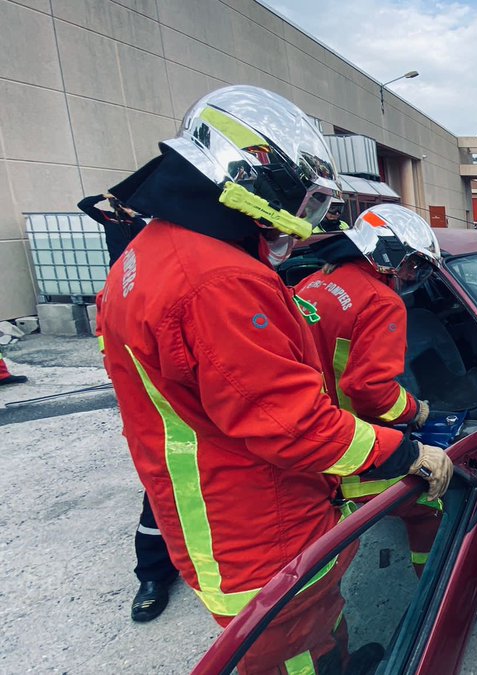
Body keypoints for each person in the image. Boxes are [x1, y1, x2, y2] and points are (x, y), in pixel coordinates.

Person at [97, 85, 453, 672]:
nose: (302, 220)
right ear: (249, 181)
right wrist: (408, 448)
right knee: (292, 647)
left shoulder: (152, 252)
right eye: (300, 198)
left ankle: (337, 658)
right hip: (257, 523)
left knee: (317, 623)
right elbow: (291, 422)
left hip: (227, 504)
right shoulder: (218, 282)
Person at [295, 204, 443, 573]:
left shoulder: (313, 282)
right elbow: (370, 392)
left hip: (308, 434)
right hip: (351, 443)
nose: (411, 274)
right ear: (386, 254)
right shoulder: (381, 301)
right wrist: (415, 410)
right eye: (411, 263)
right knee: (429, 504)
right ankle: (435, 586)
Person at [82, 190, 180, 623]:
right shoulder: (127, 280)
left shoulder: (158, 261)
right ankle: (154, 575)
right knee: (162, 498)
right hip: (160, 419)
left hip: (180, 414)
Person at [78, 192, 148, 264]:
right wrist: (103, 196)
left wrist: (132, 215)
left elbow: (143, 229)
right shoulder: (108, 217)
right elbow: (83, 205)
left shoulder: (135, 220)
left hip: (133, 260)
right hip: (116, 261)